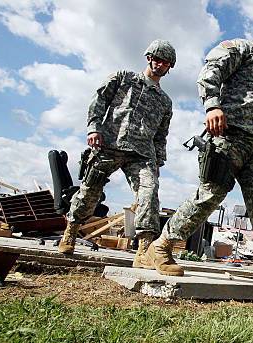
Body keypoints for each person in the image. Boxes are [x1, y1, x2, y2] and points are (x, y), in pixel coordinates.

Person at [141, 11, 253, 306]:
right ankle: (161, 247)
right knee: (210, 197)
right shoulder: (241, 49)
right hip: (229, 136)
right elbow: (209, 73)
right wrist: (212, 105)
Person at [58, 39, 175, 269]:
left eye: (166, 63)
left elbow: (162, 134)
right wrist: (94, 128)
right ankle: (70, 231)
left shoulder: (165, 101)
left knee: (149, 194)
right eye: (158, 59)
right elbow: (99, 100)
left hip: (142, 154)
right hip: (110, 143)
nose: (160, 65)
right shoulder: (123, 78)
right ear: (149, 57)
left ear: (169, 68)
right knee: (89, 192)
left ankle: (143, 252)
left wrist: (158, 160)